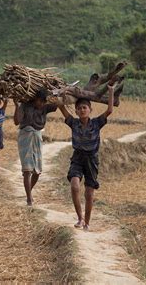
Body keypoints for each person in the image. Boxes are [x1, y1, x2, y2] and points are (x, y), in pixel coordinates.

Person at [57, 84, 115, 231]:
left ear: (90, 110)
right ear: (76, 111)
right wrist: (59, 94)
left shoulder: (96, 123)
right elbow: (61, 107)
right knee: (74, 186)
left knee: (89, 193)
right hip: (78, 158)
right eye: (79, 108)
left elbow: (109, 110)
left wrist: (111, 91)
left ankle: (87, 222)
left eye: (85, 108)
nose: (82, 110)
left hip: (92, 160)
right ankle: (80, 218)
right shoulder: (73, 123)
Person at [13, 89, 57, 206]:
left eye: (43, 102)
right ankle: (29, 198)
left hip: (37, 137)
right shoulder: (25, 106)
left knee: (37, 171)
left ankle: (28, 192)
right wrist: (16, 106)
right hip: (25, 136)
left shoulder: (45, 107)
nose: (41, 104)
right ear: (35, 99)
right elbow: (17, 122)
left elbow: (56, 105)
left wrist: (58, 93)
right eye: (40, 101)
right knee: (27, 170)